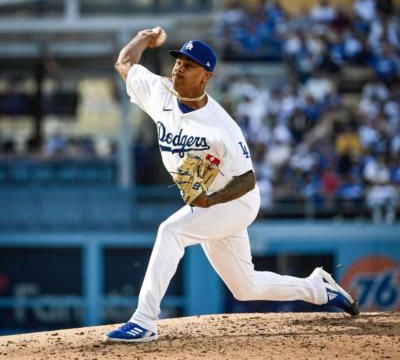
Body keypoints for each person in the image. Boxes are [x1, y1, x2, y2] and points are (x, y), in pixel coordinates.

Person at [105, 27, 359, 343]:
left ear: (206, 77)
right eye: (179, 60)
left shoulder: (222, 126)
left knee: (171, 232)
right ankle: (319, 288)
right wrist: (144, 37)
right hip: (207, 203)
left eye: (189, 64)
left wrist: (210, 203)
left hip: (236, 203)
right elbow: (124, 63)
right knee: (245, 286)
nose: (179, 68)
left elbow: (247, 180)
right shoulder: (160, 93)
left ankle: (144, 320)